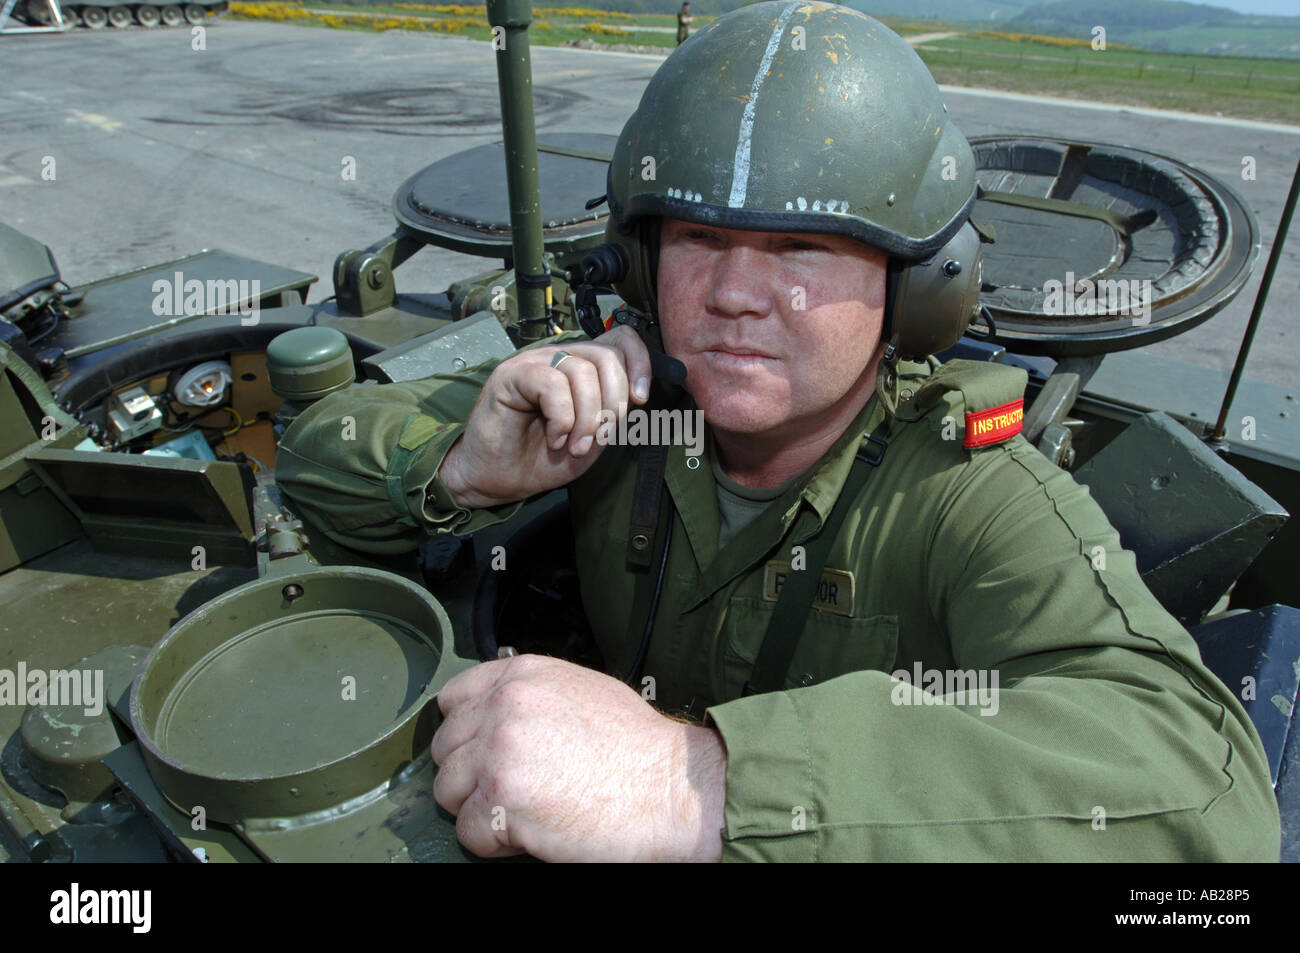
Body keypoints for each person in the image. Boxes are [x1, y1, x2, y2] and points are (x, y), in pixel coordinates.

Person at [274, 2, 1280, 862]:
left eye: (802, 245)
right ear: (636, 263)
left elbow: (1201, 782)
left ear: (916, 292)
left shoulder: (968, 490)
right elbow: (319, 456)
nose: (735, 296)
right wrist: (462, 465)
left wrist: (692, 782)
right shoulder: (618, 402)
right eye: (698, 239)